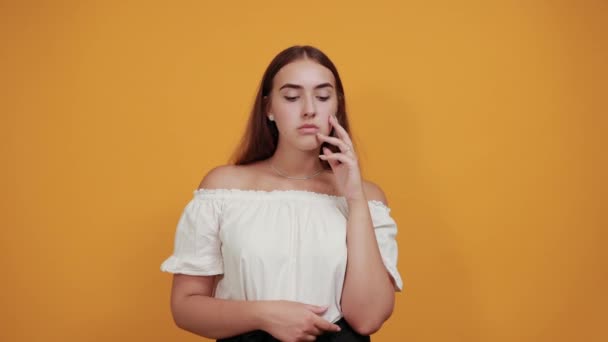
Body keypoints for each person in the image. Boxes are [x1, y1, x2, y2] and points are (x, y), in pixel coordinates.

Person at [160, 45, 403, 342]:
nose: (309, 108)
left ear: (336, 106)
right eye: (291, 96)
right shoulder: (224, 189)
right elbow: (185, 307)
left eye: (323, 96)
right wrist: (264, 314)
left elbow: (367, 318)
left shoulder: (368, 198)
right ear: (269, 109)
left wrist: (354, 197)